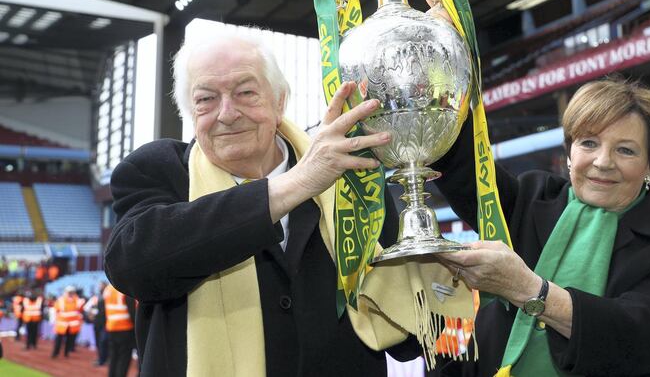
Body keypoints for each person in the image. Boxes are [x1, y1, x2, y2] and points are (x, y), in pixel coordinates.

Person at [104, 26, 418, 377]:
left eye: (246, 92)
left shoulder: (350, 177)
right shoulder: (159, 169)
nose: (226, 113)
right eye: (206, 99)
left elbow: (409, 334)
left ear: (280, 101)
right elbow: (132, 266)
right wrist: (294, 185)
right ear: (189, 113)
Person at [434, 78, 650, 376]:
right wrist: (433, 106)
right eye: (589, 143)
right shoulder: (530, 198)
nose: (603, 161)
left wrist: (530, 291)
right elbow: (463, 168)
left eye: (626, 150)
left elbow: (640, 337)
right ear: (570, 153)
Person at [103, 282, 135, 377]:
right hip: (124, 327)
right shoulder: (124, 288)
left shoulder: (107, 289)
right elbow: (132, 311)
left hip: (111, 327)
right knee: (123, 358)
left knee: (113, 356)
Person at [52, 285, 82, 358]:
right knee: (58, 340)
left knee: (69, 340)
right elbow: (56, 310)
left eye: (72, 292)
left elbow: (80, 311)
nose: (71, 294)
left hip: (72, 325)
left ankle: (66, 353)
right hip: (62, 324)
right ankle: (55, 353)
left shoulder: (77, 300)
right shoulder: (61, 300)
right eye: (69, 292)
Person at [84, 281, 109, 366]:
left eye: (102, 286)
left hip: (106, 324)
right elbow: (87, 308)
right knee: (99, 342)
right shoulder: (96, 297)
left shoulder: (108, 297)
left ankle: (104, 359)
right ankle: (101, 359)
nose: (100, 287)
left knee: (103, 342)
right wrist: (89, 314)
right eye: (100, 286)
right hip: (97, 324)